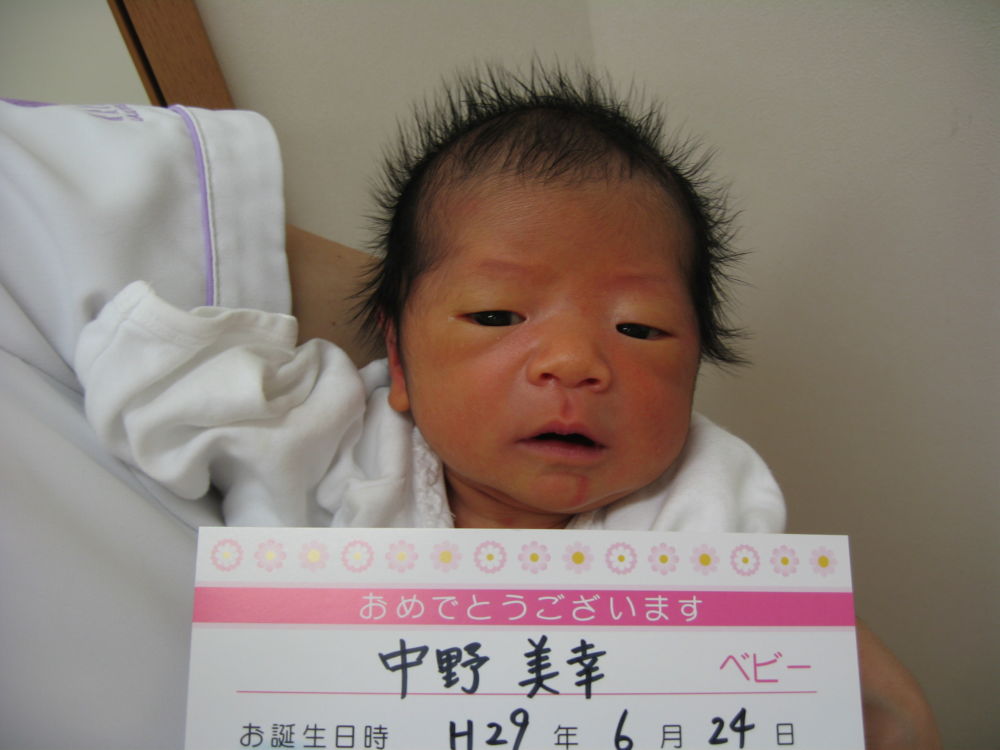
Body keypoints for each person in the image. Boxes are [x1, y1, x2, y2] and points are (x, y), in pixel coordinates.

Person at [0, 65, 939, 748]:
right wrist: (158, 343)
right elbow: (176, 390)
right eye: (496, 315)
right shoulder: (339, 434)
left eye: (641, 328)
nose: (575, 362)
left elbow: (760, 685)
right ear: (398, 361)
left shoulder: (703, 499)